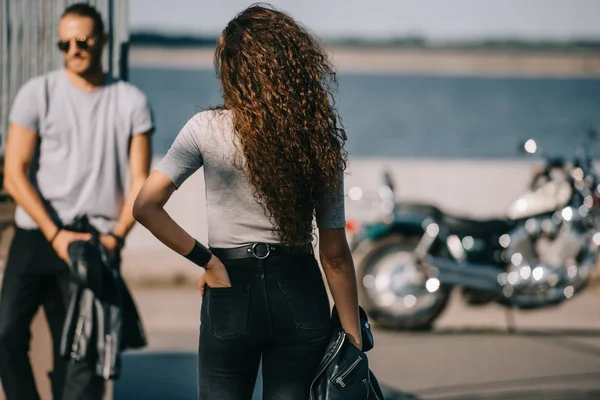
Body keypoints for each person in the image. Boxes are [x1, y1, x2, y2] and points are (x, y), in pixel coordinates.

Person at [133, 3, 361, 399]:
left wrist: (208, 262)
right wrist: (353, 337)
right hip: (300, 290)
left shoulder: (205, 128)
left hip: (230, 286)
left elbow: (145, 207)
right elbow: (335, 254)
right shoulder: (316, 139)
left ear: (235, 68)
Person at [0, 3, 153, 399]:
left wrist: (117, 237)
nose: (74, 50)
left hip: (95, 241)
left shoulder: (130, 100)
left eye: (82, 40)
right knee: (5, 333)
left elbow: (140, 180)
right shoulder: (38, 92)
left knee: (80, 356)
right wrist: (54, 234)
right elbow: (14, 175)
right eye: (64, 43)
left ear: (101, 40)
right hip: (37, 234)